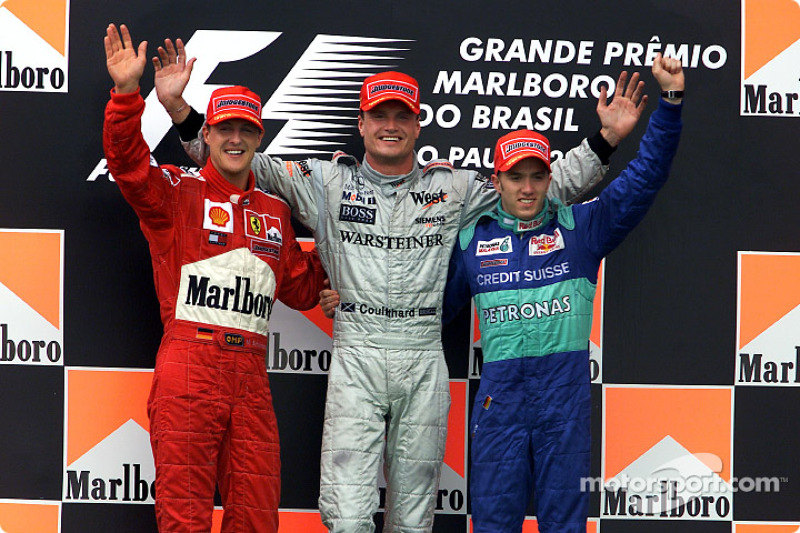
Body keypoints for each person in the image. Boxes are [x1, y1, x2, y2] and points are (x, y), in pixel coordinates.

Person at [154, 37, 646, 532]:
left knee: (412, 520)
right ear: (362, 124)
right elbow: (235, 158)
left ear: (417, 125)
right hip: (357, 351)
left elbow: (537, 188)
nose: (391, 126)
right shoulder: (325, 180)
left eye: (402, 117)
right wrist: (179, 109)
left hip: (422, 353)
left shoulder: (453, 188)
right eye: (380, 116)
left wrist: (603, 142)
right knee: (346, 518)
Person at [441, 55, 684, 533]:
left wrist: (671, 104)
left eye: (536, 176)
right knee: (492, 524)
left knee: (565, 525)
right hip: (499, 403)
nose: (527, 188)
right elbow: (427, 311)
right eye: (516, 177)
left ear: (550, 180)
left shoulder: (581, 229)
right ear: (497, 183)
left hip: (563, 397)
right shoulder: (472, 240)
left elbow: (645, 177)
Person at [102, 23, 327, 533]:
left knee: (257, 518)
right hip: (189, 363)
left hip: (250, 372)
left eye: (246, 130)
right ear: (206, 134)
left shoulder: (274, 209)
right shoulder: (178, 194)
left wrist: (346, 248)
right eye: (224, 128)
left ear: (259, 138)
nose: (234, 138)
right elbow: (129, 167)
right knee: (185, 518)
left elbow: (300, 286)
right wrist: (124, 95)